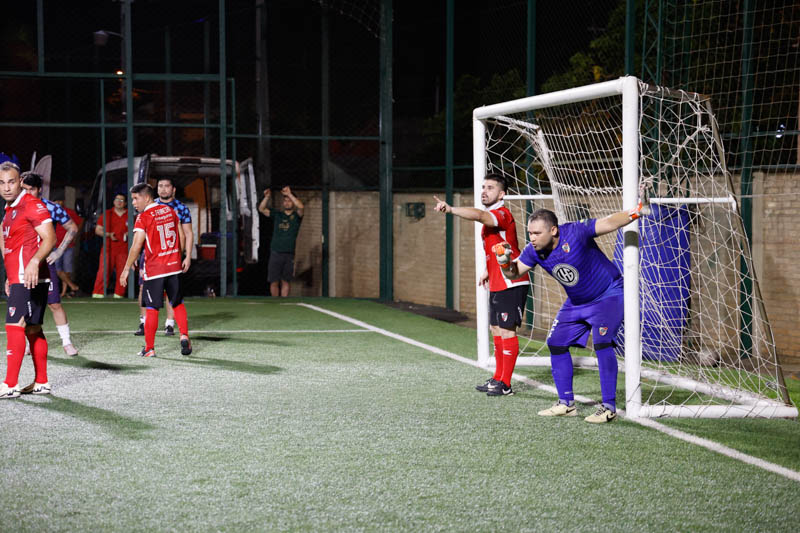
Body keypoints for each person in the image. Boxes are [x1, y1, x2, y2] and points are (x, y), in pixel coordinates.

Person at [496, 202, 649, 423]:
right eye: (530, 233)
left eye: (537, 233)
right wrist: (504, 263)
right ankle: (566, 404)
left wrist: (635, 212)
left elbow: (608, 222)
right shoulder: (534, 251)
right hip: (577, 302)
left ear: (553, 230)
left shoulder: (575, 231)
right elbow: (514, 272)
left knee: (602, 343)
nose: (532, 238)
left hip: (608, 294)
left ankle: (608, 407)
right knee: (556, 343)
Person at [433, 173, 529, 396]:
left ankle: (505, 384)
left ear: (502, 194)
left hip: (511, 281)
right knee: (495, 328)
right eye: (483, 187)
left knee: (507, 332)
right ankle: (497, 378)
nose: (484, 191)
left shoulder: (501, 214)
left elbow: (478, 215)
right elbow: (502, 246)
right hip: (498, 280)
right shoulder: (493, 215)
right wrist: (488, 270)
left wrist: (452, 209)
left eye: (491, 188)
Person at [0, 154, 56, 399]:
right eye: (1, 183)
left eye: (10, 182)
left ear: (20, 180)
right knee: (33, 329)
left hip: (29, 276)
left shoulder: (31, 204)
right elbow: (12, 246)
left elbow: (50, 238)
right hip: (21, 276)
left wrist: (34, 262)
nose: (6, 187)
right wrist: (9, 276)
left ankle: (9, 385)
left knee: (14, 326)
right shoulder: (10, 209)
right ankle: (42, 382)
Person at [120, 183, 192, 358]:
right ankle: (184, 335)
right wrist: (178, 256)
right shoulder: (170, 211)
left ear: (147, 197)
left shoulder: (143, 217)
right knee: (177, 303)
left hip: (155, 270)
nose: (134, 203)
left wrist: (126, 268)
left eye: (136, 199)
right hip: (174, 267)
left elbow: (137, 245)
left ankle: (149, 348)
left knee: (152, 308)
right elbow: (181, 236)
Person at [21, 174, 80, 356]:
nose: (27, 193)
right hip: (23, 263)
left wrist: (59, 251)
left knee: (54, 304)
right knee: (25, 305)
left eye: (31, 189)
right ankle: (28, 344)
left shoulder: (51, 207)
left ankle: (67, 342)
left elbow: (73, 228)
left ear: (39, 189)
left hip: (45, 263)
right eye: (24, 189)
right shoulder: (16, 208)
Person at [133, 177, 193, 336]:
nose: (163, 189)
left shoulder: (180, 208)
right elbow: (141, 236)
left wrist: (185, 256)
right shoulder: (150, 205)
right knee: (143, 288)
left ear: (173, 189)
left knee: (171, 293)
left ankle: (169, 324)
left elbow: (187, 233)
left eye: (167, 186)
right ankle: (143, 321)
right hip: (151, 255)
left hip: (170, 256)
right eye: (160, 186)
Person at [258, 186, 304, 297]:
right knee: (274, 281)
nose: (287, 202)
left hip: (289, 253)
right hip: (276, 252)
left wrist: (289, 194)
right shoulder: (277, 214)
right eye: (285, 200)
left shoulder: (296, 216)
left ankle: (284, 302)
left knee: (285, 281)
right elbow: (261, 209)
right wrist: (267, 197)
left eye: (289, 201)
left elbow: (301, 206)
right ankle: (275, 303)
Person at [92, 193, 128, 298]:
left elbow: (136, 231)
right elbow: (97, 230)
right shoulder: (107, 214)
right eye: (117, 199)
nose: (119, 202)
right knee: (103, 271)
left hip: (124, 249)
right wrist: (108, 235)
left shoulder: (130, 215)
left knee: (122, 272)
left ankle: (119, 295)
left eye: (121, 200)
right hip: (108, 248)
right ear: (113, 201)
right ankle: (98, 294)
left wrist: (128, 234)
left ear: (125, 203)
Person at [52, 197, 83, 297]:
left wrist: (75, 235)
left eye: (60, 200)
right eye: (56, 200)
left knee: (67, 270)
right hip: (55, 245)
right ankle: (73, 286)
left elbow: (80, 221)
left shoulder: (69, 212)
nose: (58, 202)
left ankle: (64, 292)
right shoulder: (50, 211)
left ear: (63, 201)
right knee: (57, 269)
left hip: (68, 245)